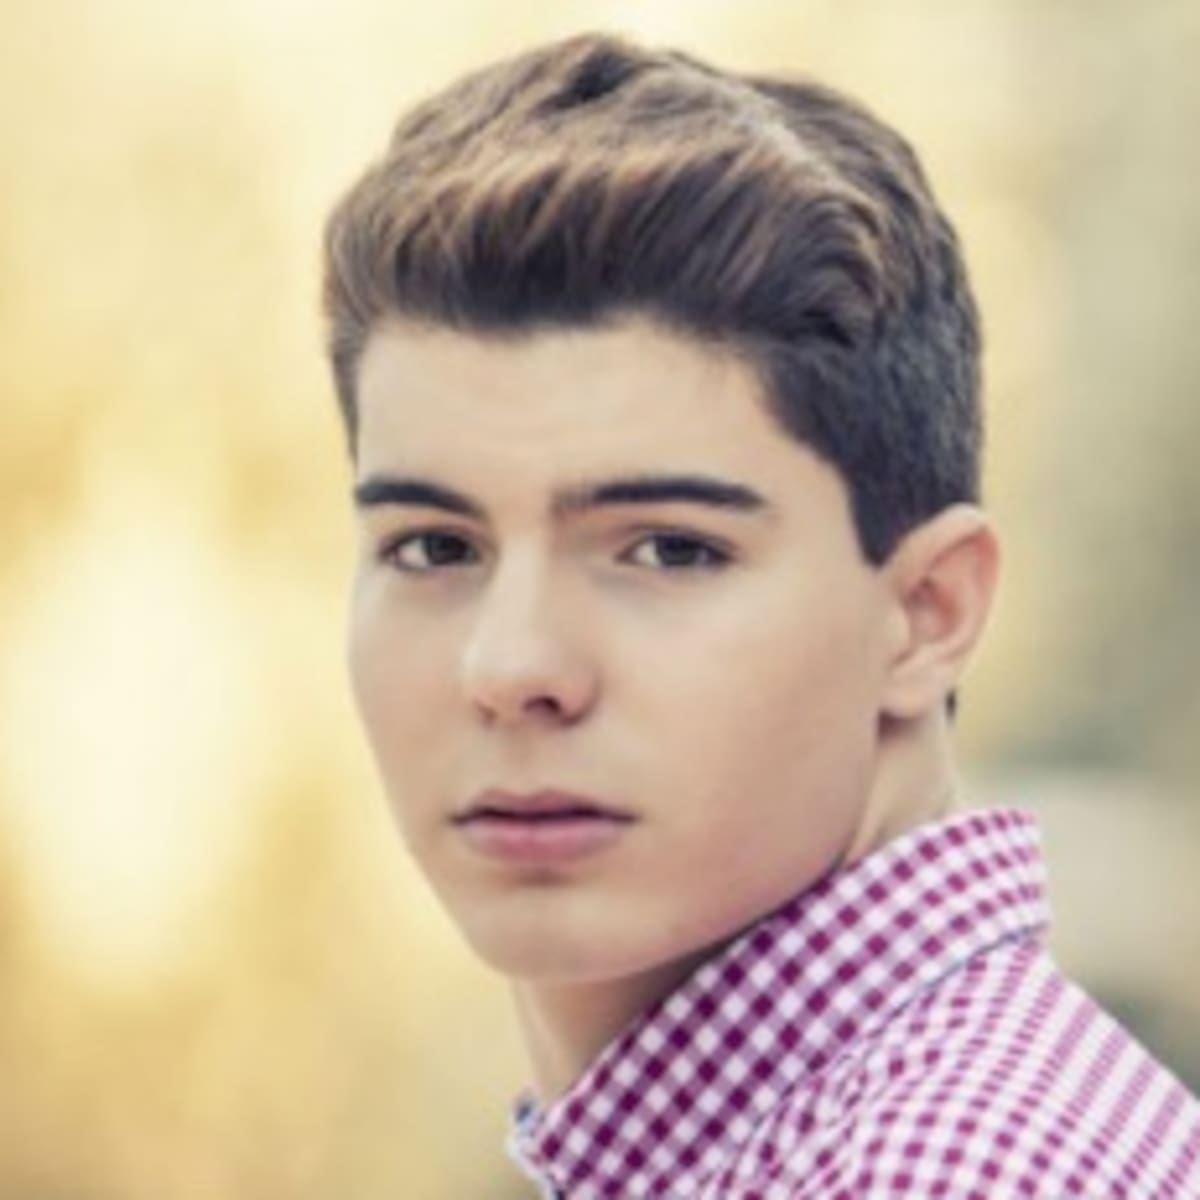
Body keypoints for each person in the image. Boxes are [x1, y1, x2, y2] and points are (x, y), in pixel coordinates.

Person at [320, 31, 1200, 1199]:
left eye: (669, 549)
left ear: (927, 611)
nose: (512, 664)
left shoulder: (936, 1173)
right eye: (435, 546)